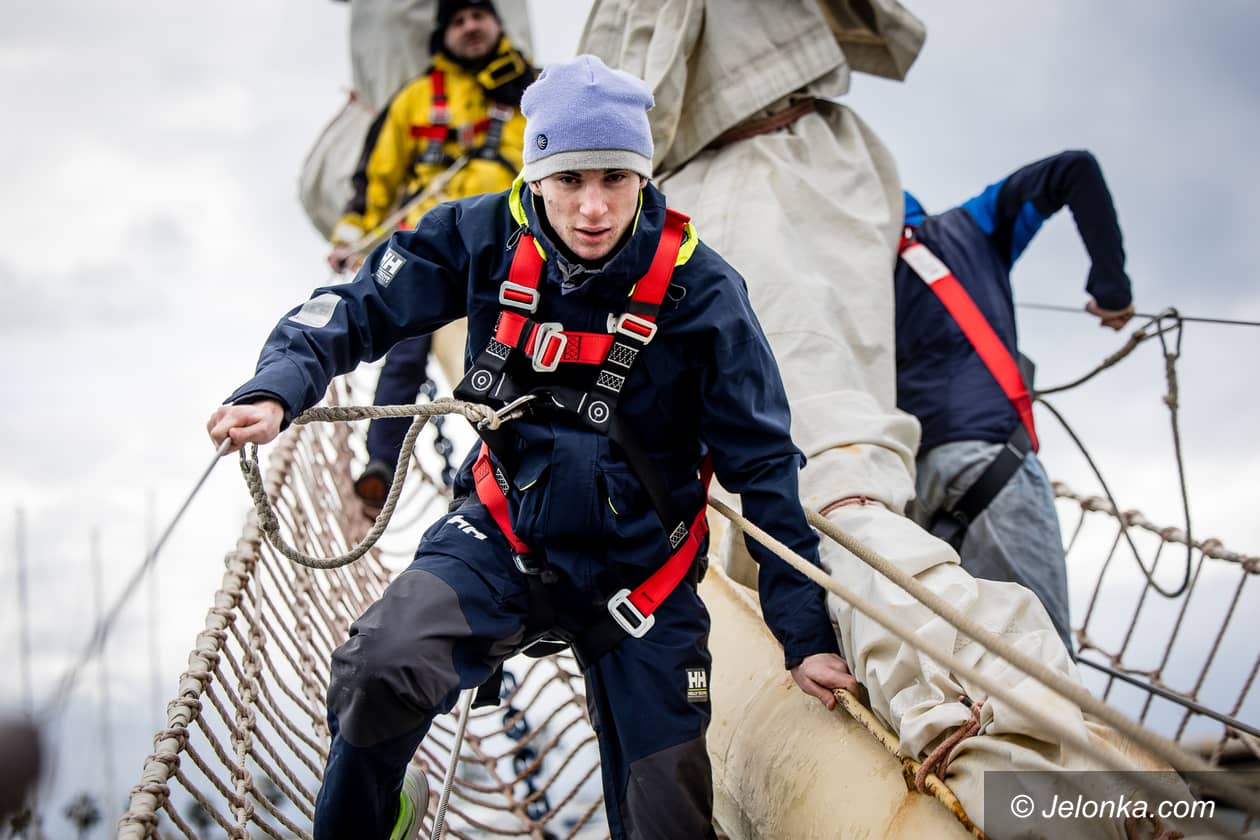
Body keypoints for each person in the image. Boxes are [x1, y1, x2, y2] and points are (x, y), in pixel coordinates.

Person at [208, 54, 856, 840]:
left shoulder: (704, 292)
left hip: (640, 578)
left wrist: (805, 639)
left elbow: (764, 467)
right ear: (536, 173)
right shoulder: (476, 236)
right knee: (381, 666)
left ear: (643, 177)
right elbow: (356, 305)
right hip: (501, 535)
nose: (592, 206)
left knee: (670, 819)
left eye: (615, 179)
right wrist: (277, 385)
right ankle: (377, 815)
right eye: (570, 177)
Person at [896, 150, 1134, 651]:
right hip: (992, 471)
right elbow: (1075, 169)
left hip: (899, 494)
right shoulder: (972, 226)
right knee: (1041, 676)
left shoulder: (843, 269)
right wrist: (1111, 287)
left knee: (945, 682)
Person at [325, 0, 537, 510]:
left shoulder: (534, 91)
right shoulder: (415, 99)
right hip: (434, 249)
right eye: (458, 21)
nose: (469, 27)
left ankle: (526, 469)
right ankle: (381, 461)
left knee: (526, 356)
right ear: (443, 35)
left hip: (515, 247)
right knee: (403, 351)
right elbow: (376, 178)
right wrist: (349, 236)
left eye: (478, 17)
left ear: (497, 23)